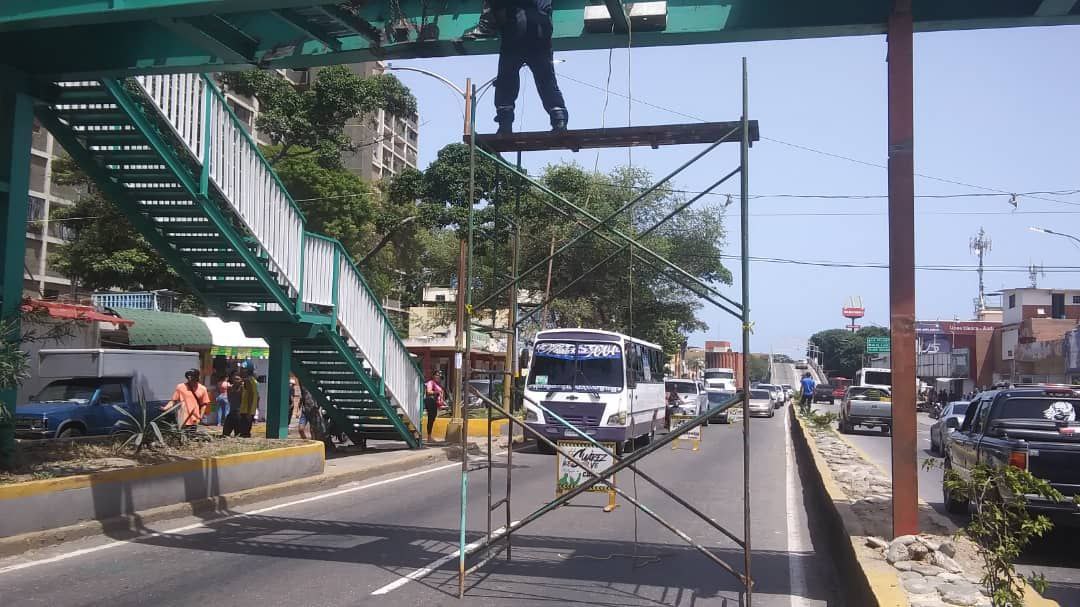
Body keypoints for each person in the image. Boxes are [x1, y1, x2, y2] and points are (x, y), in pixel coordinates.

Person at [492, 0, 568, 134]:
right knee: (546, 78)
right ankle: (559, 119)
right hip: (541, 26)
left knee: (507, 78)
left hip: (515, 26)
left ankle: (505, 123)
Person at [165, 369, 211, 435]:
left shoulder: (202, 389)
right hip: (182, 418)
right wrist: (165, 408)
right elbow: (173, 401)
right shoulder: (180, 387)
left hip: (194, 419)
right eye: (188, 376)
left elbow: (204, 404)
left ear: (197, 377)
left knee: (191, 437)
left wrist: (200, 417)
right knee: (182, 438)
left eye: (192, 376)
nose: (189, 377)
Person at [423, 371, 445, 443]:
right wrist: (437, 392)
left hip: (435, 403)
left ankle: (430, 436)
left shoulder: (438, 384)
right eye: (437, 375)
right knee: (430, 418)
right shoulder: (431, 382)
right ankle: (429, 437)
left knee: (432, 419)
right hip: (430, 401)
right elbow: (429, 391)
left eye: (439, 375)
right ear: (433, 375)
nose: (438, 376)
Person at [238, 366, 260, 438]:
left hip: (246, 409)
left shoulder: (248, 381)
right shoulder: (254, 381)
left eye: (242, 370)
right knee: (246, 430)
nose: (240, 372)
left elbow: (251, 396)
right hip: (249, 409)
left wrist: (249, 411)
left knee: (244, 431)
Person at [221, 370, 245, 437]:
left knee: (238, 433)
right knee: (225, 432)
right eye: (234, 379)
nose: (235, 381)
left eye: (237, 379)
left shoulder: (242, 388)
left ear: (241, 380)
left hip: (240, 412)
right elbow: (229, 399)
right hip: (232, 411)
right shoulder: (230, 388)